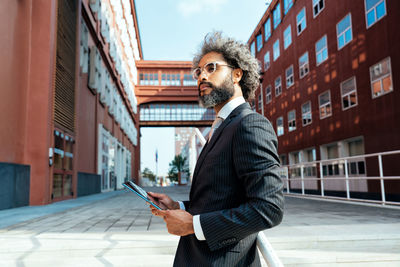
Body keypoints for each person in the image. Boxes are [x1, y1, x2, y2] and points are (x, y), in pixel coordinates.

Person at [148, 31, 284, 267]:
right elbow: (219, 200)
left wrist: (192, 225)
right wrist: (177, 207)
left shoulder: (250, 124)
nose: (202, 76)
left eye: (211, 68)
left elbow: (269, 207)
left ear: (237, 74)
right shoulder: (220, 128)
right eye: (198, 72)